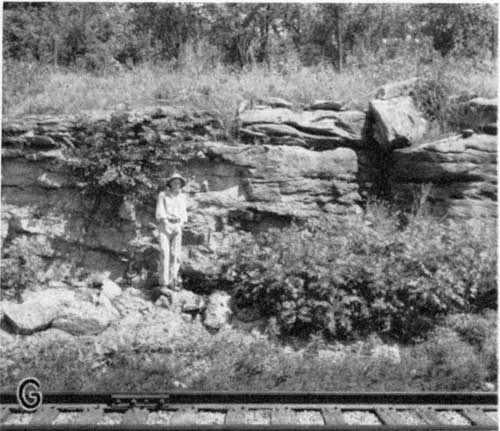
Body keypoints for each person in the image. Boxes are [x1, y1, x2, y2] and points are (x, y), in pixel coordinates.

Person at [155, 172, 188, 292]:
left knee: (176, 254)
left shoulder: (182, 196)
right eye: (174, 182)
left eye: (178, 183)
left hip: (177, 224)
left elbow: (184, 212)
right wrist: (165, 221)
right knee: (164, 252)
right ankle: (163, 282)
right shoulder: (163, 195)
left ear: (181, 184)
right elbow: (160, 209)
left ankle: (173, 281)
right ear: (170, 183)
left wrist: (181, 223)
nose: (176, 184)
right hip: (165, 225)